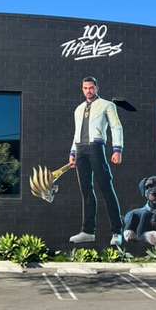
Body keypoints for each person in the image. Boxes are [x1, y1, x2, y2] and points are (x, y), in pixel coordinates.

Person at [67, 76, 125, 245]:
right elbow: (76, 132)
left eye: (91, 87)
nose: (88, 91)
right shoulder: (78, 109)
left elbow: (116, 126)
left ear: (97, 88)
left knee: (106, 188)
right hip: (80, 150)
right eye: (85, 88)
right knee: (86, 190)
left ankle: (117, 231)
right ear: (82, 89)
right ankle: (87, 231)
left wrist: (117, 149)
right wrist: (72, 152)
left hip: (96, 148)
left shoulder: (107, 105)